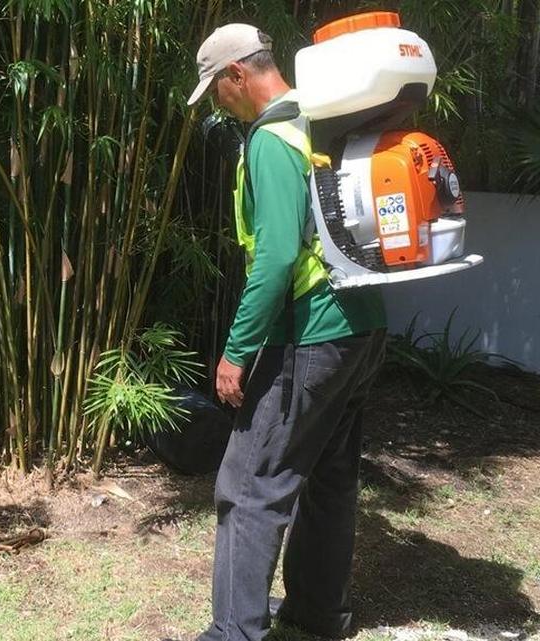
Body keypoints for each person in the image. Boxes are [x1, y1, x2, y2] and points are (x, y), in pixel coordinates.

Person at [186, 23, 388, 641]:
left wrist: (236, 353)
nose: (217, 103)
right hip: (361, 328)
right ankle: (319, 613)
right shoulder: (318, 119)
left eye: (215, 90)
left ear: (236, 75)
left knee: (248, 489)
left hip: (308, 334)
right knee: (329, 478)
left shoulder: (272, 140)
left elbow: (274, 259)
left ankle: (233, 633)